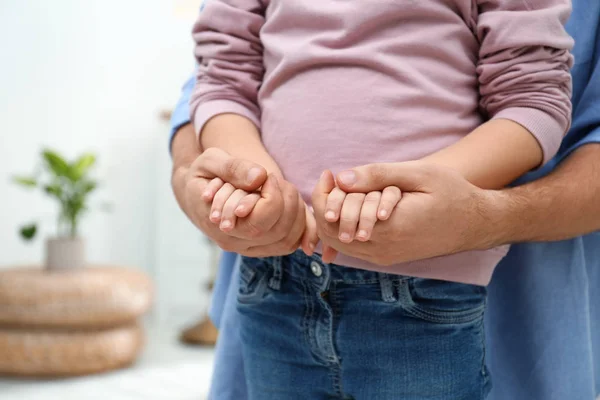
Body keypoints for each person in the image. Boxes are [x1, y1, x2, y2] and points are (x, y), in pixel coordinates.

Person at [170, 1, 599, 399]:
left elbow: (533, 101)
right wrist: (254, 185)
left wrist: (415, 193)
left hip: (423, 289)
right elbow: (220, 79)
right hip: (273, 276)